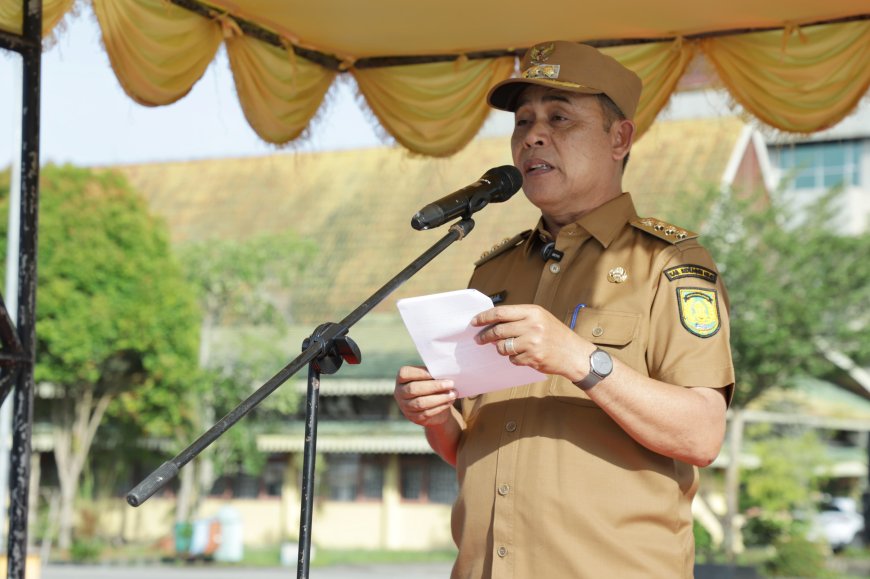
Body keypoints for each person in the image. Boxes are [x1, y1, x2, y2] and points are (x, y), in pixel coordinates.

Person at [394, 40, 734, 578]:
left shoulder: (667, 263)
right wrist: (435, 417)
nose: (532, 135)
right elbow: (472, 449)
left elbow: (701, 435)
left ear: (619, 138)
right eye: (523, 120)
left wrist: (581, 359)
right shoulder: (493, 272)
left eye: (559, 117)